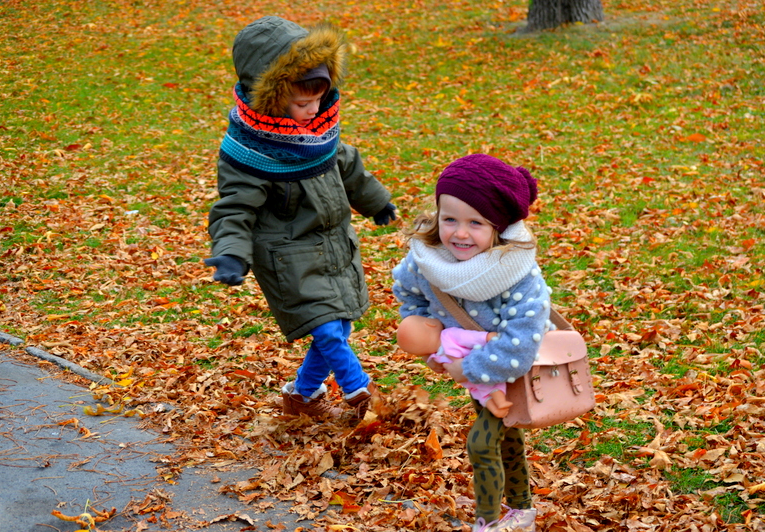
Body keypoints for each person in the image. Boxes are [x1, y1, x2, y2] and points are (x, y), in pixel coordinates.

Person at [204, 16, 397, 424]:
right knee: (326, 329)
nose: (312, 112)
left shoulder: (320, 135)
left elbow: (348, 166)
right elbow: (235, 206)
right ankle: (361, 393)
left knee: (337, 328)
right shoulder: (249, 152)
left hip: (332, 244)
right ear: (273, 98)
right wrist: (230, 254)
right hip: (285, 253)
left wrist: (378, 203)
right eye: (301, 103)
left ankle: (301, 396)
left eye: (317, 100)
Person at [392, 154, 551, 532]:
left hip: (509, 370)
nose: (460, 233)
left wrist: (470, 367)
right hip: (469, 369)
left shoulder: (518, 274)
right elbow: (409, 296)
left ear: (499, 227)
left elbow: (520, 341)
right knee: (507, 436)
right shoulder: (427, 261)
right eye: (450, 219)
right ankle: (522, 509)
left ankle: (489, 522)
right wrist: (433, 344)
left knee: (482, 444)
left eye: (476, 223)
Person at [395, 315, 513, 418]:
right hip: (476, 366)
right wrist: (486, 337)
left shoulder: (435, 357)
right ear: (429, 324)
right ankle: (501, 402)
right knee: (493, 384)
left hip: (469, 383)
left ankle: (495, 409)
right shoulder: (448, 335)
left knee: (482, 394)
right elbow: (468, 338)